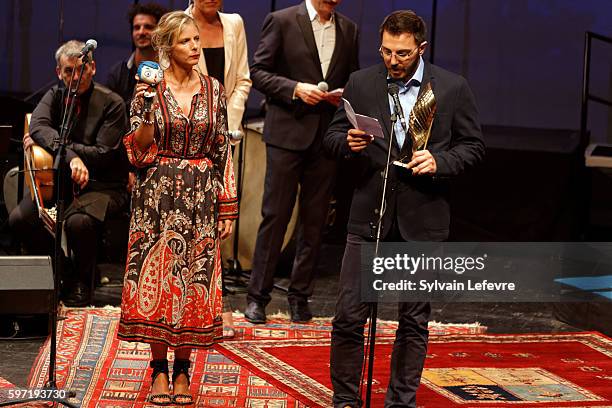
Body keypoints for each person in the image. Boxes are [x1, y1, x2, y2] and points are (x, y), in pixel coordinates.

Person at [324, 10, 485, 408]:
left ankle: (401, 401)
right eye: (386, 51)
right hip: (370, 217)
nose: (392, 61)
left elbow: (474, 146)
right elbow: (331, 134)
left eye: (402, 53)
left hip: (422, 220)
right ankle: (345, 400)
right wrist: (348, 142)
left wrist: (440, 162)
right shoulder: (362, 82)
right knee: (348, 317)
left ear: (421, 48)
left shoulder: (450, 88)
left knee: (413, 321)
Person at [117, 11, 237, 406]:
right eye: (187, 42)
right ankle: (158, 369)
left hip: (200, 197)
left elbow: (222, 149)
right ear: (167, 47)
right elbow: (137, 150)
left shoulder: (214, 89)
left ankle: (183, 369)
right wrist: (149, 107)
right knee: (159, 280)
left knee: (192, 279)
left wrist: (227, 206)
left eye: (197, 41)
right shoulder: (146, 87)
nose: (195, 48)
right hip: (156, 196)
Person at [245, 0, 359, 324]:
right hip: (287, 134)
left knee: (315, 220)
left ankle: (300, 296)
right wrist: (295, 88)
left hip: (326, 136)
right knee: (276, 216)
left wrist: (344, 93)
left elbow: (353, 77)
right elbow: (258, 72)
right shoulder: (281, 20)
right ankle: (257, 297)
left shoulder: (349, 29)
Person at [9, 40, 129, 307]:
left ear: (93, 68)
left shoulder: (113, 103)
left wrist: (54, 147)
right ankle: (66, 271)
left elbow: (104, 154)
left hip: (103, 185)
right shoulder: (55, 96)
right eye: (68, 72)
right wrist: (71, 157)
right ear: (58, 73)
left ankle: (83, 284)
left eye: (81, 70)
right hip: (62, 182)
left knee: (78, 222)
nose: (75, 77)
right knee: (20, 219)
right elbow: (38, 125)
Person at [186, 0, 252, 339]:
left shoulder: (234, 23)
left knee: (219, 220)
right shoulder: (178, 24)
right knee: (189, 223)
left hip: (224, 134)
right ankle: (185, 303)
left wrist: (229, 120)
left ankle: (220, 303)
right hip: (188, 135)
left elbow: (242, 79)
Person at [106, 2, 168, 108]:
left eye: (148, 27)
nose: (141, 32)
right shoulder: (118, 73)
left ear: (160, 32)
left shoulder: (170, 70)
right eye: (137, 27)